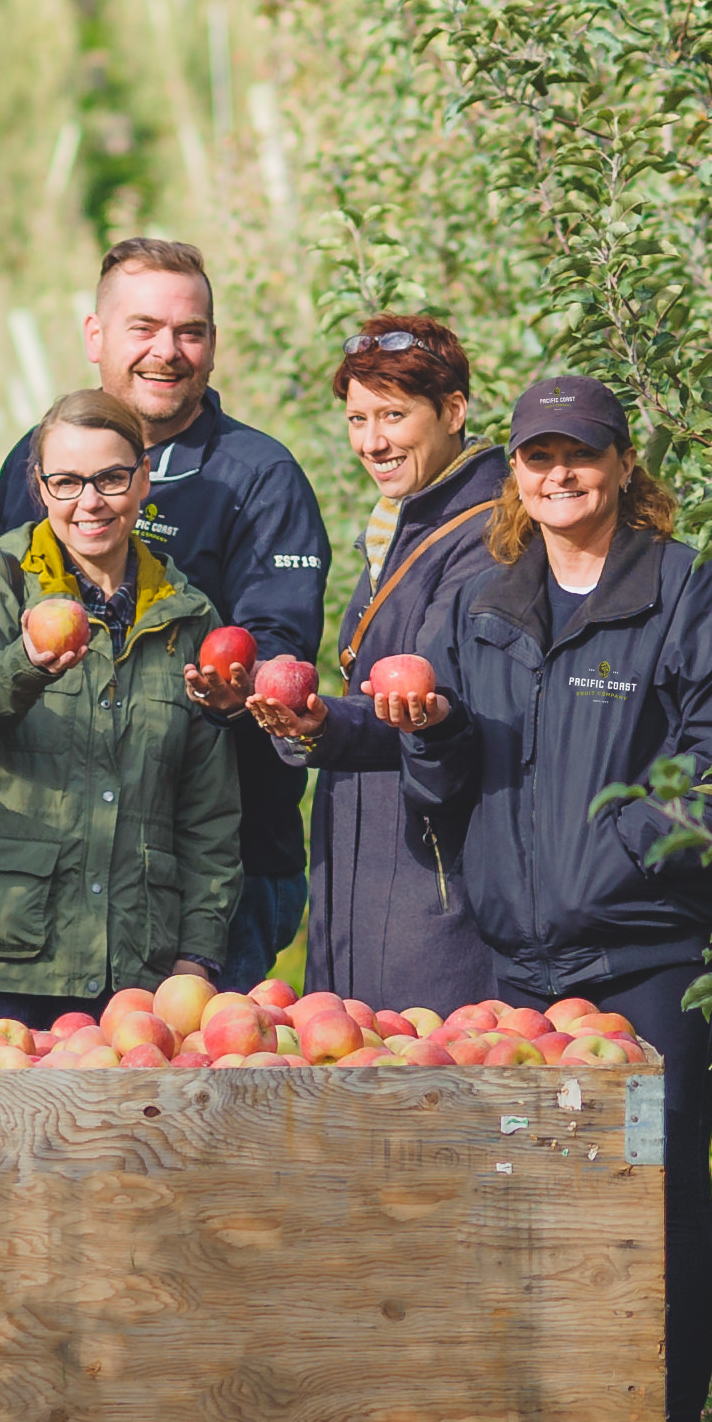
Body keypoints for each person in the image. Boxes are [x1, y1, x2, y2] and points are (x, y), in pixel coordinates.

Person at [384, 375, 712, 1422]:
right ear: (514, 471)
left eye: (580, 454)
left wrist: (613, 859)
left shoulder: (684, 593)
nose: (557, 474)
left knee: (657, 1193)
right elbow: (447, 779)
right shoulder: (485, 600)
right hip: (518, 965)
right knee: (527, 1199)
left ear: (621, 465)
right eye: (536, 456)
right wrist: (425, 737)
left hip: (646, 956)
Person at [0, 236, 326, 984]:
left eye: (190, 332)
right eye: (144, 328)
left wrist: (237, 689)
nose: (167, 351)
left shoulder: (260, 479)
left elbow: (277, 645)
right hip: (55, 865)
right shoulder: (31, 461)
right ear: (96, 336)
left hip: (217, 866)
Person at [0, 388, 243, 1026]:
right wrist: (27, 664)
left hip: (138, 969)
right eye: (66, 482)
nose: (89, 502)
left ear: (144, 480)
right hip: (7, 959)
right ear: (40, 488)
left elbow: (209, 809)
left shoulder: (187, 614)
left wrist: (198, 955)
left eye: (111, 478)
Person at [243, 312, 506, 1012]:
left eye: (393, 415)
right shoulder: (404, 522)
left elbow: (446, 708)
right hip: (370, 872)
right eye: (357, 419)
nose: (372, 441)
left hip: (429, 887)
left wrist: (324, 725)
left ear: (454, 410)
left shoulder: (486, 539)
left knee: (420, 1092)